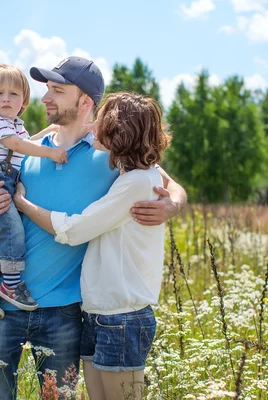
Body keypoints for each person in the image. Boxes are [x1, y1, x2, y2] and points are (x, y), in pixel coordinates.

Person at [0, 56, 187, 400]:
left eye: (57, 90)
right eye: (46, 89)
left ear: (85, 101)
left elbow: (164, 180)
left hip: (63, 311)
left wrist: (173, 202)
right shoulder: (27, 146)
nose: (44, 98)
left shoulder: (112, 153)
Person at [14, 92, 169, 399]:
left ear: (120, 132)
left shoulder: (138, 182)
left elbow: (75, 229)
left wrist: (22, 203)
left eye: (103, 121)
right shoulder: (126, 175)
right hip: (98, 313)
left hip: (123, 316)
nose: (93, 125)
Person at [0, 64, 68, 319]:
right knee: (12, 229)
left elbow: (23, 142)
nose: (6, 99)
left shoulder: (15, 125)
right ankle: (11, 284)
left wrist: (47, 133)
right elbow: (17, 145)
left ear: (24, 102)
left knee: (4, 234)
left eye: (13, 94)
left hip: (1, 179)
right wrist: (50, 151)